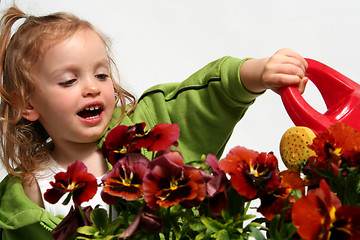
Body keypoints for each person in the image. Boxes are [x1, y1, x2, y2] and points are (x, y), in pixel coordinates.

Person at [0, 5, 308, 240]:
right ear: (28, 105)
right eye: (69, 81)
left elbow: (201, 101)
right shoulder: (30, 190)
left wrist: (254, 74)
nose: (92, 87)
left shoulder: (141, 133)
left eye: (101, 75)